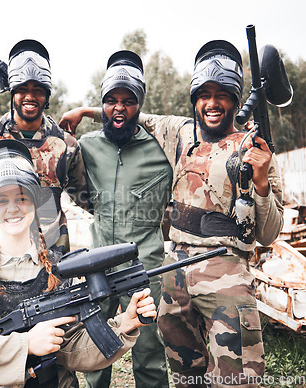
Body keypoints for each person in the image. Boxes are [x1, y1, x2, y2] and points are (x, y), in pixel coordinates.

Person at [60, 40, 283, 388]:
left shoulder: (255, 150)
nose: (212, 103)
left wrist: (262, 182)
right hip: (174, 276)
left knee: (237, 378)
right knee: (184, 375)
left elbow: (269, 233)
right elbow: (128, 111)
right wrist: (85, 111)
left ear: (237, 99)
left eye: (222, 93)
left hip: (225, 274)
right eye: (204, 94)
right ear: (194, 98)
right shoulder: (178, 132)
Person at [0, 139, 157, 387]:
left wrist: (125, 324)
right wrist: (25, 345)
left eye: (22, 198)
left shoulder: (60, 269)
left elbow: (73, 349)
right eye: (1, 200)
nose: (13, 208)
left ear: (36, 204)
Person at [64, 51, 172, 388]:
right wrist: (86, 113)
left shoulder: (163, 148)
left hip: (144, 268)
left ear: (140, 104)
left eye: (129, 101)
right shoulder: (86, 146)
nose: (119, 108)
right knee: (96, 348)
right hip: (97, 265)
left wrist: (87, 111)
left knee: (149, 355)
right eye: (110, 101)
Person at [0, 39, 88, 254]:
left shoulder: (67, 145)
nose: (30, 96)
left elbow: (88, 200)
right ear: (11, 91)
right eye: (22, 89)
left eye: (38, 90)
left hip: (53, 259)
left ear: (47, 95)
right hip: (0, 259)